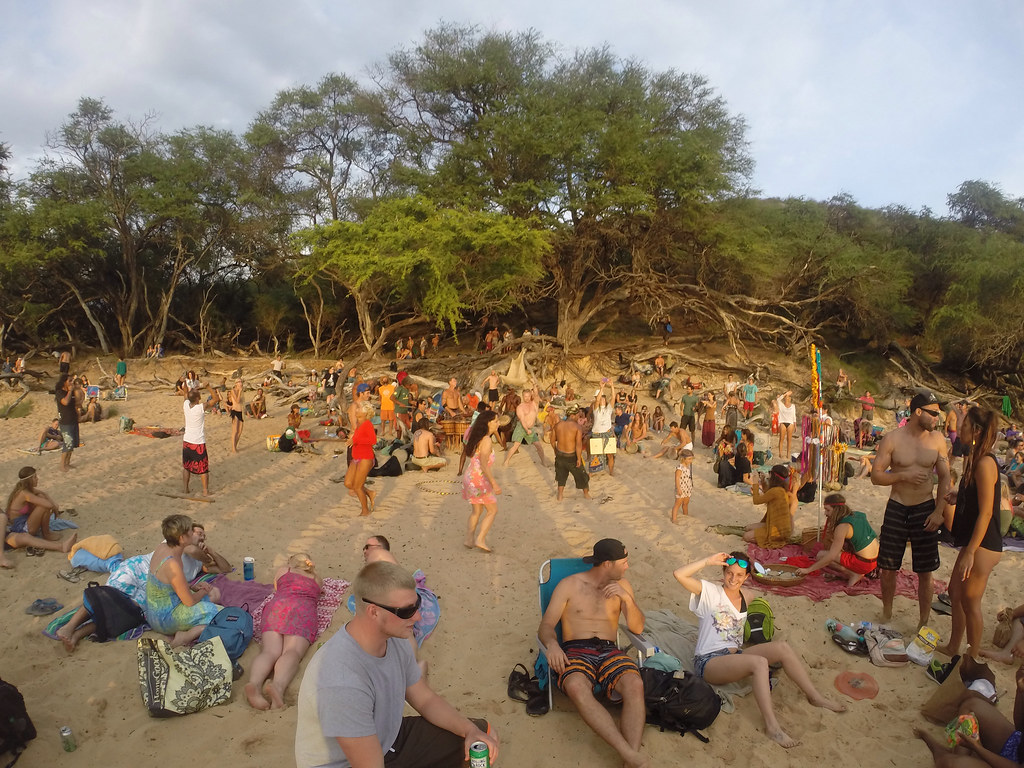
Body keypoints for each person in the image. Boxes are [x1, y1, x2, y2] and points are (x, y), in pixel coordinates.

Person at [295, 561, 497, 768]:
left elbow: (425, 699)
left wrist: (469, 730)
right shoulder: (343, 681)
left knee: (481, 738)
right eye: (407, 611)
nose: (417, 616)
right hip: (350, 763)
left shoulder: (395, 637)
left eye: (417, 604)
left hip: (386, 739)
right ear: (374, 612)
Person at [674, 552, 846, 749]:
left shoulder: (747, 596)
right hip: (709, 662)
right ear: (723, 572)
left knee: (782, 647)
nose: (733, 578)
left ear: (747, 577)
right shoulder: (710, 593)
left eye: (739, 575)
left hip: (734, 657)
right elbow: (679, 574)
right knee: (759, 663)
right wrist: (707, 560)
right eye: (729, 573)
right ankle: (772, 727)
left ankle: (815, 697)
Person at [538, 538, 648, 767]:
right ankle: (629, 754)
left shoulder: (623, 587)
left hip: (609, 650)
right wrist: (553, 645)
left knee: (635, 684)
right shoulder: (569, 585)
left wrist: (627, 599)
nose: (627, 567)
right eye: (624, 562)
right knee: (576, 686)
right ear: (607, 564)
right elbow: (546, 626)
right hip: (576, 649)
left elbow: (637, 629)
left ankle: (630, 759)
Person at [55, 522, 229, 652]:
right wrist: (205, 556)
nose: (201, 537)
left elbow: (225, 568)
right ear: (185, 535)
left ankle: (77, 634)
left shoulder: (198, 564)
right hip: (138, 569)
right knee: (110, 595)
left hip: (153, 589)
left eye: (204, 536)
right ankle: (70, 627)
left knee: (125, 612)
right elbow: (191, 550)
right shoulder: (173, 543)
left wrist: (211, 552)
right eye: (198, 532)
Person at [871, 390, 950, 625]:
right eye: (933, 413)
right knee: (888, 566)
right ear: (917, 412)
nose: (937, 418)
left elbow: (945, 478)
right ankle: (887, 612)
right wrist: (903, 475)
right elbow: (876, 476)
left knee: (925, 570)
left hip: (925, 507)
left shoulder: (938, 440)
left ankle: (923, 621)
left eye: (938, 414)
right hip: (897, 506)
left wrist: (939, 511)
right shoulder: (893, 439)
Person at [938, 406, 1003, 660]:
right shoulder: (975, 457)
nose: (959, 429)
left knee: (970, 600)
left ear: (975, 430)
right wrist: (960, 494)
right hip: (974, 540)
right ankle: (954, 647)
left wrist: (971, 552)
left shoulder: (985, 463)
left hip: (984, 543)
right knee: (955, 592)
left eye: (964, 425)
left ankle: (972, 658)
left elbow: (986, 513)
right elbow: (977, 498)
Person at [245, 553, 323, 710]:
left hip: (277, 608)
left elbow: (277, 588)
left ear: (291, 562)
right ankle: (278, 686)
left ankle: (254, 684)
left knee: (269, 651)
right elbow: (318, 594)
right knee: (292, 651)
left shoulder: (284, 570)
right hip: (301, 611)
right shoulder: (317, 579)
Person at [145, 514, 222, 647]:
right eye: (190, 531)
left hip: (154, 610)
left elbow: (170, 583)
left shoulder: (163, 548)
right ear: (182, 538)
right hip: (165, 618)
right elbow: (189, 602)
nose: (193, 533)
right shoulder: (172, 564)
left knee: (215, 593)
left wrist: (193, 587)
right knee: (218, 613)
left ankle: (189, 629)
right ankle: (186, 636)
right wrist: (203, 591)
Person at [795, 493, 879, 586]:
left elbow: (831, 556)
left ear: (836, 510)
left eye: (828, 510)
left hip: (863, 563)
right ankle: (855, 572)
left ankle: (853, 574)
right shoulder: (858, 515)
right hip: (875, 560)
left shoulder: (842, 527)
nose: (825, 513)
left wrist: (808, 570)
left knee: (821, 556)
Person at [4, 466, 78, 557]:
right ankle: (46, 534)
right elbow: (48, 505)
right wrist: (54, 507)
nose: (37, 479)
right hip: (20, 527)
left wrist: (53, 504)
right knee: (43, 506)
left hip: (24, 522)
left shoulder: (26, 490)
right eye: (35, 477)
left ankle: (47, 534)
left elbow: (43, 494)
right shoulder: (24, 493)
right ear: (29, 480)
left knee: (41, 497)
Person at [461, 411, 501, 552]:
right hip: (478, 479)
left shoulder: (477, 437)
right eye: (496, 421)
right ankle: (480, 539)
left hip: (470, 477)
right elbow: (484, 465)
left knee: (476, 511)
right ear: (488, 423)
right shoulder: (486, 440)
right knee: (492, 510)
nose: (498, 424)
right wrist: (494, 483)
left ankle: (469, 539)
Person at [743, 464, 793, 546]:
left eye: (770, 473)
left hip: (776, 530)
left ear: (774, 476)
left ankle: (764, 537)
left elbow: (756, 500)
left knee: (746, 536)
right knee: (748, 528)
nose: (768, 475)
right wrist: (763, 481)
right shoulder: (780, 490)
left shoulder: (776, 491)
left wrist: (755, 483)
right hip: (776, 525)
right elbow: (768, 494)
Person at [345, 401, 378, 516]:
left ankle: (365, 510)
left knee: (357, 487)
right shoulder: (358, 423)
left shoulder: (367, 424)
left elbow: (373, 441)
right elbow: (357, 438)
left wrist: (355, 440)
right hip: (356, 457)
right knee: (348, 483)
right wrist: (352, 439)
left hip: (366, 457)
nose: (356, 410)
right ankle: (369, 492)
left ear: (365, 413)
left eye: (359, 408)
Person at [552, 405, 591, 501]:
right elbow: (578, 444)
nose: (578, 417)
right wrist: (579, 458)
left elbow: (552, 440)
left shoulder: (558, 425)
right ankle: (586, 494)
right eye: (577, 415)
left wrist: (555, 450)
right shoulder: (577, 427)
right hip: (571, 455)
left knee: (561, 475)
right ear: (572, 415)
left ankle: (560, 495)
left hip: (560, 454)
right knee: (582, 475)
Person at [503, 384, 547, 467]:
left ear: (531, 396)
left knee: (538, 446)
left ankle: (543, 462)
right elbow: (522, 420)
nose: (527, 398)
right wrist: (527, 430)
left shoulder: (534, 404)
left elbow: (536, 395)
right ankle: (506, 461)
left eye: (528, 396)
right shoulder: (520, 407)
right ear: (523, 396)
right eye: (525, 396)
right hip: (521, 428)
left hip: (531, 428)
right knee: (516, 445)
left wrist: (534, 387)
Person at [182, 387, 210, 496]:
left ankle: (185, 489)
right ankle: (205, 491)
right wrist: (208, 387)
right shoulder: (200, 408)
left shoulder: (186, 405)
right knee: (203, 468)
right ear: (198, 398)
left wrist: (184, 384)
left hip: (187, 441)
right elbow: (216, 399)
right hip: (198, 442)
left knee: (186, 466)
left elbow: (185, 394)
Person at [591, 382, 617, 476]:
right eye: (601, 397)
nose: (602, 399)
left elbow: (613, 397)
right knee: (595, 454)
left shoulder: (608, 409)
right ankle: (591, 472)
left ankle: (611, 471)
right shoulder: (596, 409)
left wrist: (612, 386)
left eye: (603, 397)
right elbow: (597, 400)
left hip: (607, 433)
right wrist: (601, 387)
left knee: (610, 455)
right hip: (597, 433)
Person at [55, 373, 78, 471]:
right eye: (69, 381)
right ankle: (62, 465)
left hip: (73, 420)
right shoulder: (60, 392)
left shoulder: (71, 392)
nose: (71, 382)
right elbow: (65, 402)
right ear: (64, 382)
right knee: (67, 443)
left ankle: (68, 463)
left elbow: (77, 403)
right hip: (65, 421)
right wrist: (70, 391)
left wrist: (77, 390)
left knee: (71, 444)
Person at [670, 448, 695, 523]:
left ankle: (685, 515)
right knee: (677, 504)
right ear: (683, 459)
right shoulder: (679, 468)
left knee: (685, 503)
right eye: (689, 459)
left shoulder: (688, 466)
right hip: (681, 488)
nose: (691, 461)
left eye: (692, 459)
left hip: (687, 488)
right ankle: (674, 519)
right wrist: (678, 489)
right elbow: (677, 479)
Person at [776, 390, 796, 460]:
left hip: (790, 422)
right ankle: (780, 453)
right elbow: (778, 399)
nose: (787, 398)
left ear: (790, 399)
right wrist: (785, 394)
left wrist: (795, 424)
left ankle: (788, 453)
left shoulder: (793, 406)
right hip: (783, 422)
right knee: (781, 438)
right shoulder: (781, 405)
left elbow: (794, 415)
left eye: (788, 397)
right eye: (786, 397)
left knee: (789, 439)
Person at [227, 378, 244, 453]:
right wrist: (239, 391)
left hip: (240, 412)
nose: (240, 383)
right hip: (235, 411)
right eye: (239, 382)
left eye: (241, 381)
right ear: (236, 383)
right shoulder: (233, 391)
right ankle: (233, 448)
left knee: (240, 431)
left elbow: (242, 402)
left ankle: (235, 446)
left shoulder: (241, 391)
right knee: (235, 431)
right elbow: (237, 400)